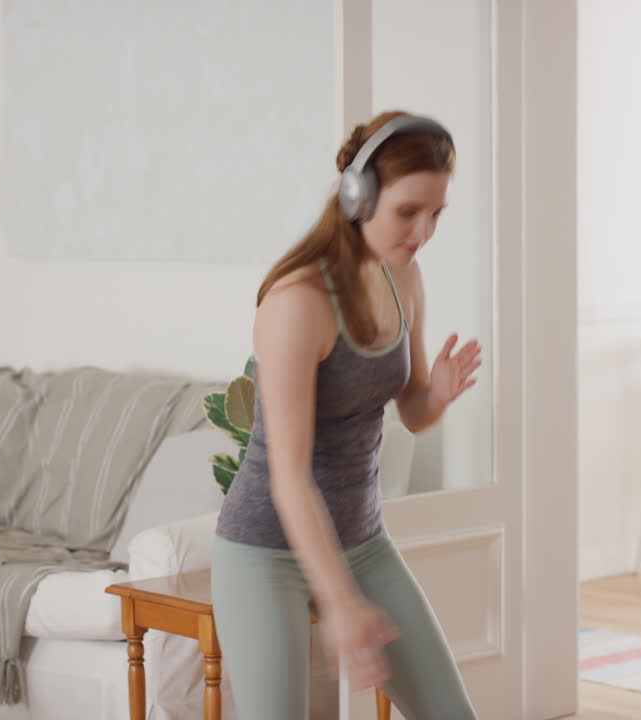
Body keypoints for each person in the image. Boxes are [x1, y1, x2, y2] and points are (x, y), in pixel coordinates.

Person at [212, 110, 483, 719]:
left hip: (363, 542)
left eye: (436, 214)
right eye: (408, 212)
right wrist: (338, 602)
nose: (423, 232)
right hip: (264, 552)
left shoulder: (403, 276)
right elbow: (289, 477)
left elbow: (412, 412)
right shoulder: (298, 302)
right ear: (359, 195)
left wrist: (437, 394)